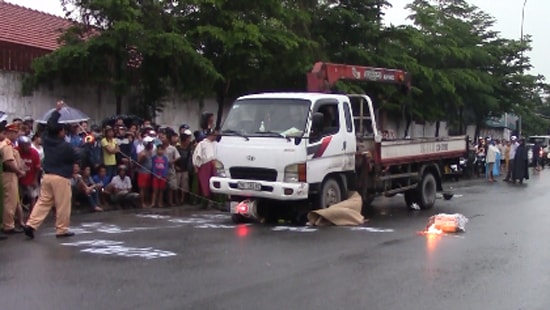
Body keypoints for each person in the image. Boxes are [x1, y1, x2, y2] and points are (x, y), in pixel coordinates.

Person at [24, 100, 80, 239]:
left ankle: (31, 224)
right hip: (61, 177)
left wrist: (57, 111)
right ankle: (61, 229)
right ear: (60, 132)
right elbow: (75, 157)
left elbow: (50, 125)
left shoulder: (46, 139)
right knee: (63, 205)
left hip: (47, 176)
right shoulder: (66, 146)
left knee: (43, 202)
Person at [1, 122, 26, 234]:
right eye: (15, 132)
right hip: (9, 175)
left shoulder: (9, 145)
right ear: (9, 133)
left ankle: (10, 223)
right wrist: (19, 171)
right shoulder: (6, 146)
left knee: (13, 201)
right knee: (9, 201)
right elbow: (9, 163)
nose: (17, 135)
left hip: (11, 175)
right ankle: (8, 225)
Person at [192, 128, 218, 206]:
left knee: (214, 183)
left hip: (214, 164)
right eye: (214, 135)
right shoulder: (202, 144)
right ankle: (203, 202)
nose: (216, 137)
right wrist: (196, 166)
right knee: (204, 184)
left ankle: (214, 201)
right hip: (204, 164)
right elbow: (196, 155)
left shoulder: (215, 143)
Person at [16, 136, 41, 211]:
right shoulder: (16, 151)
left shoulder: (34, 152)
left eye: (27, 145)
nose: (25, 147)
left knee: (32, 197)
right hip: (19, 179)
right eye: (23, 145)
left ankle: (32, 215)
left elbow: (37, 168)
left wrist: (35, 180)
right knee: (18, 198)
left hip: (30, 178)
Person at [137, 136, 155, 208]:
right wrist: (143, 158)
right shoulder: (142, 153)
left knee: (147, 188)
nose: (151, 144)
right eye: (150, 143)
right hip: (143, 172)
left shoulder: (150, 152)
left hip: (149, 172)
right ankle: (142, 203)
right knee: (142, 188)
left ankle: (147, 201)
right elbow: (138, 164)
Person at [175, 131, 193, 205]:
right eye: (187, 140)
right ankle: (176, 199)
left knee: (184, 185)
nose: (188, 142)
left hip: (185, 169)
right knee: (176, 185)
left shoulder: (188, 149)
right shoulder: (177, 148)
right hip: (178, 169)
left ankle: (182, 199)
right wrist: (176, 166)